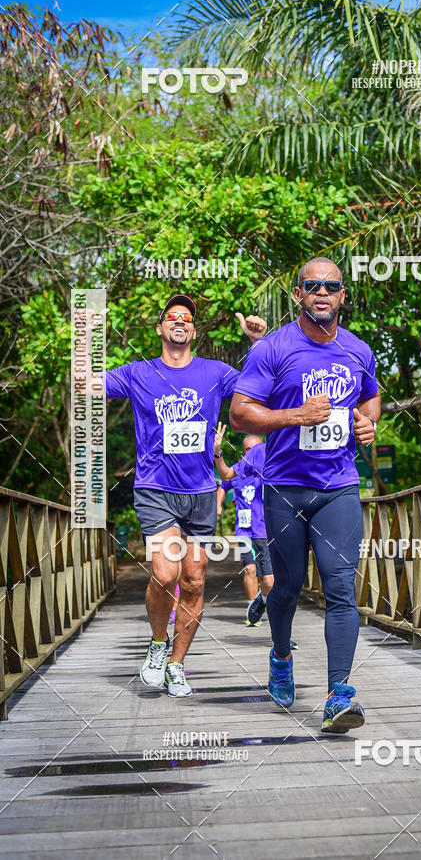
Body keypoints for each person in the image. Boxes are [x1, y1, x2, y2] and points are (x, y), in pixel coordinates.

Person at [229, 258, 381, 732]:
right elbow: (240, 413)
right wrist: (296, 416)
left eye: (331, 286)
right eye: (312, 286)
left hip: (338, 486)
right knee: (287, 586)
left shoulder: (358, 350)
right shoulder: (272, 349)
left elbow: (371, 397)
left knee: (341, 586)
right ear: (298, 294)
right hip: (284, 488)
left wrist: (368, 422)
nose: (322, 293)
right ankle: (280, 656)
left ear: (342, 296)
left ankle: (339, 694)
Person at [100, 293, 266, 697]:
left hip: (201, 492)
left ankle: (177, 664)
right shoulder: (139, 372)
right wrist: (89, 336)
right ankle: (158, 643)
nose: (180, 320)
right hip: (156, 488)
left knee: (193, 581)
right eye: (172, 316)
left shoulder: (215, 372)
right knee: (165, 573)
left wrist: (257, 343)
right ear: (160, 328)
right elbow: (87, 385)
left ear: (193, 331)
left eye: (187, 318)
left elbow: (260, 386)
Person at [214, 428, 273, 625]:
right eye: (247, 449)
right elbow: (223, 485)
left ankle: (261, 600)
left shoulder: (269, 468)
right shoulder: (239, 469)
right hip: (244, 530)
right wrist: (218, 505)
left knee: (269, 579)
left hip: (266, 529)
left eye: (254, 449)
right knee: (249, 569)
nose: (251, 453)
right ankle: (252, 611)